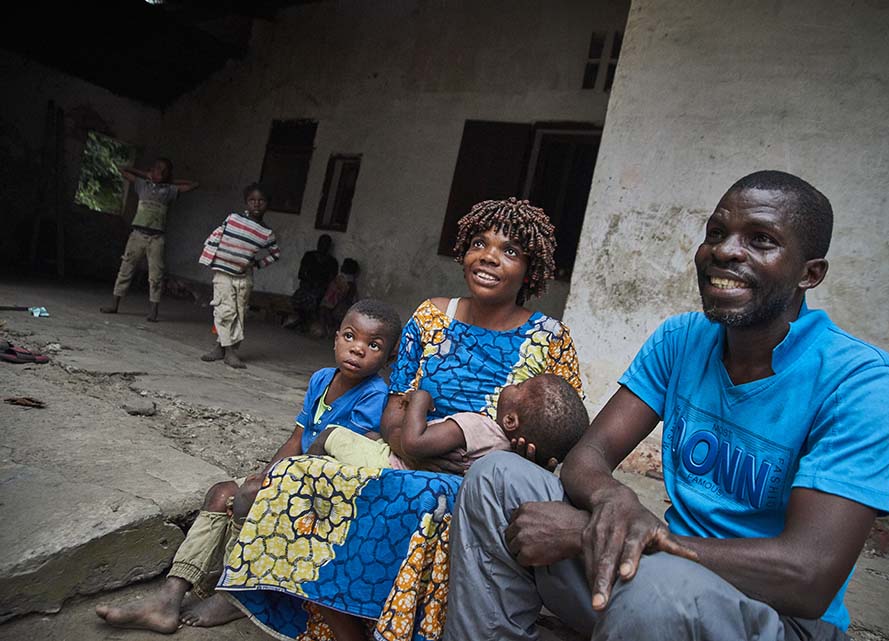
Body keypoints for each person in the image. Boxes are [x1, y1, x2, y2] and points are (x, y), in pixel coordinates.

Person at [443, 171, 889, 641]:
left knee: (660, 594)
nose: (725, 250)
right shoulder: (682, 338)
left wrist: (603, 536)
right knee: (496, 479)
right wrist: (611, 499)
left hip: (772, 618)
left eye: (762, 240)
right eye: (716, 233)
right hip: (643, 586)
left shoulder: (861, 381)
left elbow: (808, 577)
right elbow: (589, 455)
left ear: (809, 274)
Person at [217, 198, 583, 641]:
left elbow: (556, 432)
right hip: (407, 449)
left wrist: (522, 456)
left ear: (532, 268)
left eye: (510, 251)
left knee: (418, 495)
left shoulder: (550, 338)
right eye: (480, 244)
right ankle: (334, 620)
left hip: (477, 477)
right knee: (301, 474)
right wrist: (409, 443)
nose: (489, 256)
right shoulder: (429, 318)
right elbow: (396, 402)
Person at [94, 298, 402, 634]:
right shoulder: (322, 379)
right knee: (221, 493)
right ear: (335, 337)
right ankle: (168, 600)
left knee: (250, 497)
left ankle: (235, 593)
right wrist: (269, 472)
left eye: (372, 345)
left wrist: (271, 484)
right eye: (349, 336)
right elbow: (296, 438)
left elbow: (337, 458)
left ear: (388, 358)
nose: (357, 349)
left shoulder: (374, 394)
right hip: (293, 473)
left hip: (324, 488)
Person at [311, 373, 588, 472]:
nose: (512, 385)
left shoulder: (478, 427)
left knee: (329, 434)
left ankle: (297, 482)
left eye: (520, 386)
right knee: (371, 435)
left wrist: (420, 398)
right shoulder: (506, 458)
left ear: (511, 420)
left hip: (391, 466)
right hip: (396, 459)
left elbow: (413, 443)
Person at [100, 158, 199, 322]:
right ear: (150, 169)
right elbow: (122, 170)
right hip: (137, 235)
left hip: (157, 238)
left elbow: (194, 184)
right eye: (157, 168)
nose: (160, 171)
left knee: (156, 275)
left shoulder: (169, 190)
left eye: (164, 170)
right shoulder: (141, 184)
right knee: (126, 269)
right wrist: (146, 174)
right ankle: (114, 304)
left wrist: (169, 180)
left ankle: (153, 311)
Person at [198, 183, 280, 369]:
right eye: (252, 200)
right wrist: (211, 256)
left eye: (261, 201)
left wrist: (257, 264)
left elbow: (275, 254)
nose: (256, 204)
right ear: (246, 202)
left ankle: (221, 347)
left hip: (244, 275)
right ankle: (230, 352)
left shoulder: (266, 233)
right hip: (223, 272)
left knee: (238, 313)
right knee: (224, 310)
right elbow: (217, 236)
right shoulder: (233, 219)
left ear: (267, 204)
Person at [288, 234, 339, 331]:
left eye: (325, 244)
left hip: (321, 288)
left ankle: (303, 322)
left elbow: (332, 280)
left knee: (314, 297)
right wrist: (309, 282)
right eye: (321, 243)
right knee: (298, 298)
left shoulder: (332, 262)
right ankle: (302, 320)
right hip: (307, 284)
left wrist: (320, 284)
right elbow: (301, 273)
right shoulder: (309, 256)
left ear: (329, 246)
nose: (322, 246)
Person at [317, 257, 360, 337]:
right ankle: (326, 331)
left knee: (332, 314)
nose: (342, 267)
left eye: (344, 266)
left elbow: (347, 298)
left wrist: (336, 304)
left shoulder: (350, 283)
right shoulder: (340, 278)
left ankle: (332, 332)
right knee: (323, 311)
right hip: (332, 303)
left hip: (341, 305)